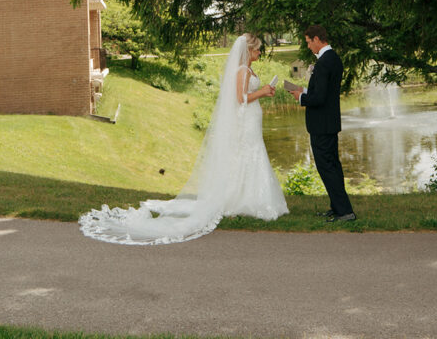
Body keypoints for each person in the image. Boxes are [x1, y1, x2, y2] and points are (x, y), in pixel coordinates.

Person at [79, 33, 288, 244]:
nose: (260, 52)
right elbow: (240, 99)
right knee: (246, 155)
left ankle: (249, 198)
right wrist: (261, 92)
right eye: (257, 49)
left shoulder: (249, 70)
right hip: (245, 121)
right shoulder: (242, 70)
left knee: (252, 155)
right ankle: (238, 200)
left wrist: (265, 91)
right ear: (248, 51)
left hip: (252, 120)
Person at [290, 24, 355, 222]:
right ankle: (337, 207)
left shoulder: (325, 62)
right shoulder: (331, 59)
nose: (309, 46)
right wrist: (305, 90)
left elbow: (319, 99)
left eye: (309, 42)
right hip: (327, 123)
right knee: (331, 166)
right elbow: (323, 94)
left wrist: (301, 97)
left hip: (323, 125)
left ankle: (345, 212)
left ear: (317, 39)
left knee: (327, 166)